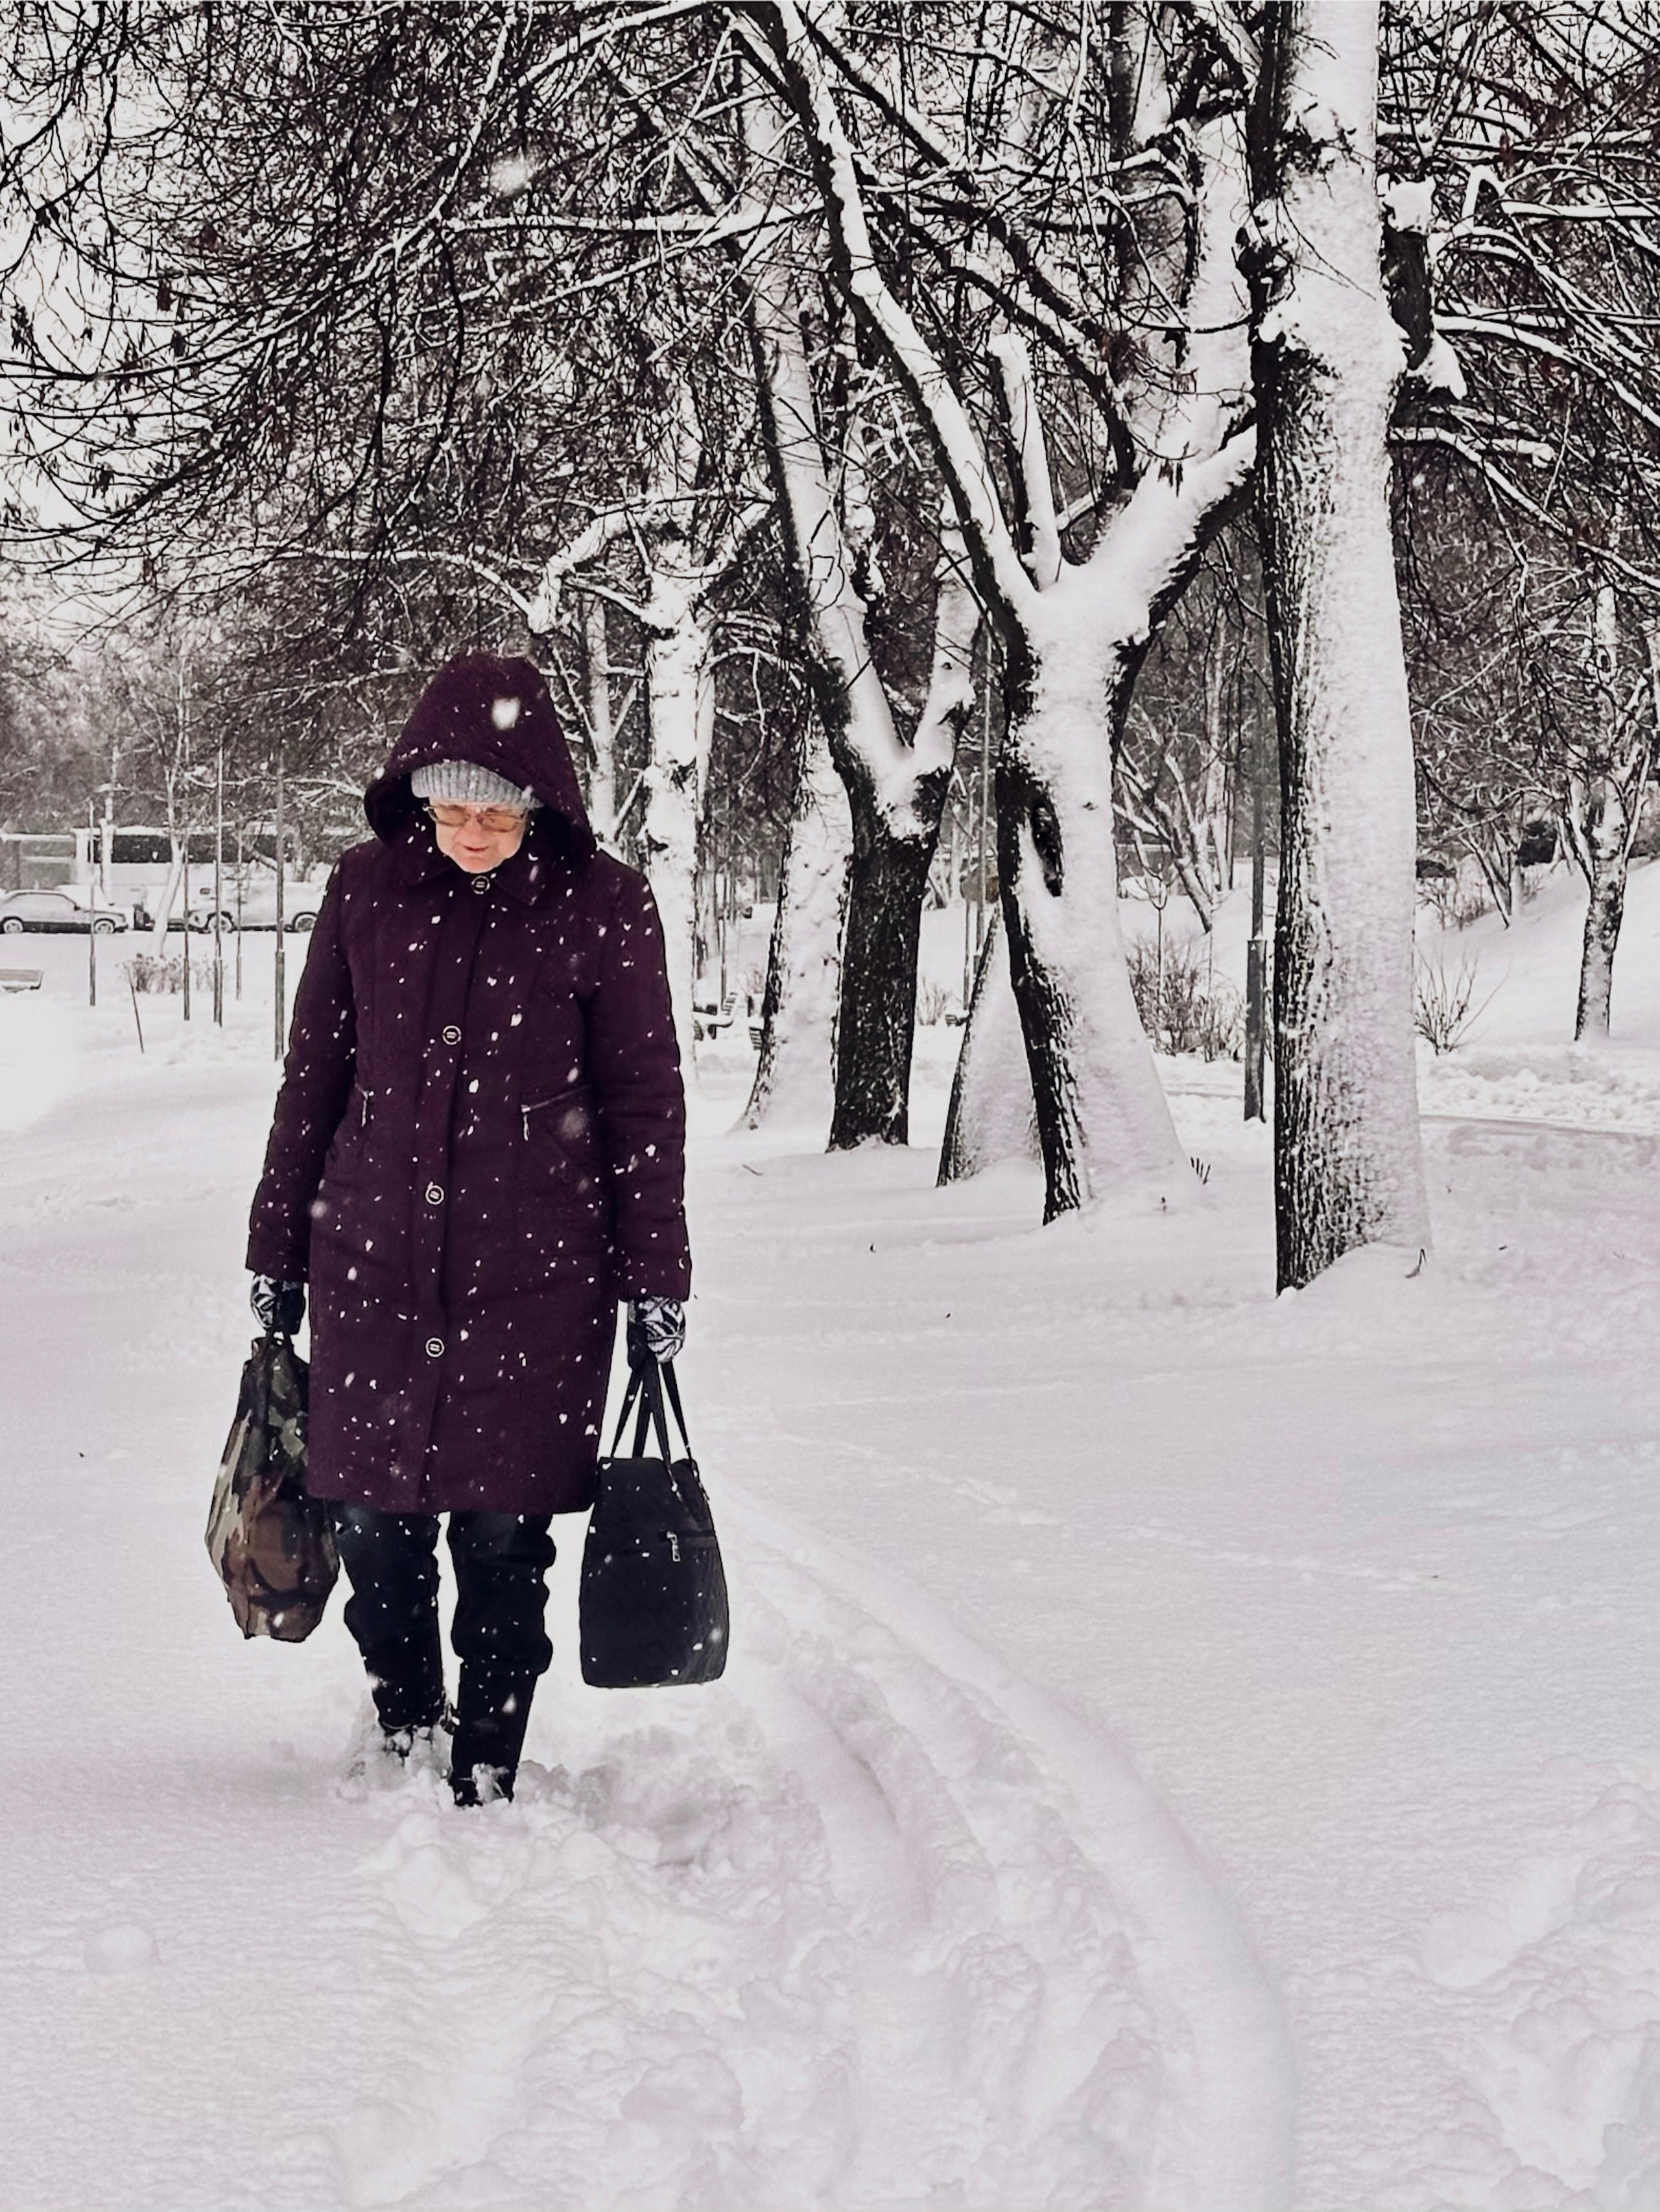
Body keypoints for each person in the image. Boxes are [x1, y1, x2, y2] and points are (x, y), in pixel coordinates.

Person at [245, 652, 691, 1805]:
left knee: (503, 1536)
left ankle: (487, 1757)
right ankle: (403, 1723)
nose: (473, 828)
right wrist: (276, 1249)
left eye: (495, 807)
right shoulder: (364, 891)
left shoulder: (605, 905)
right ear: (416, 797)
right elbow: (316, 1079)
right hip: (374, 1262)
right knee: (377, 1529)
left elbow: (644, 1096)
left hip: (538, 1273)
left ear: (538, 799)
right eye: (450, 805)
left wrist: (658, 1275)